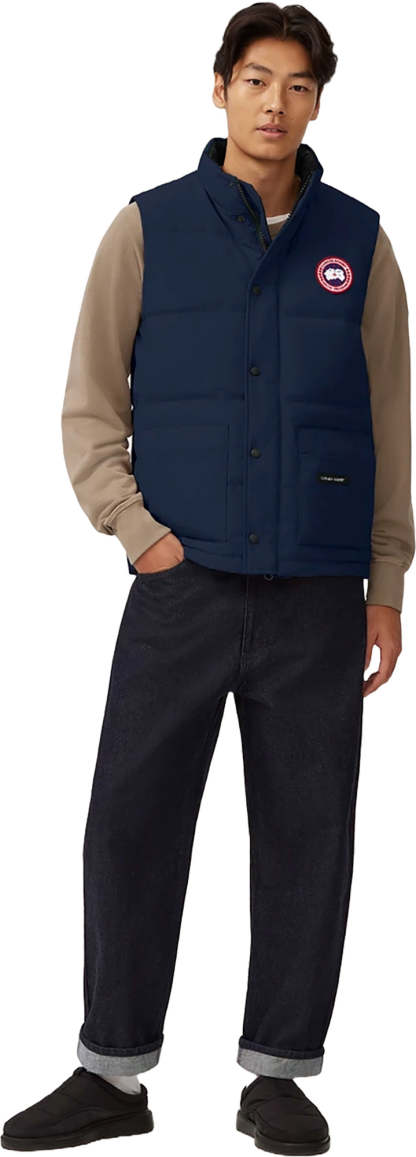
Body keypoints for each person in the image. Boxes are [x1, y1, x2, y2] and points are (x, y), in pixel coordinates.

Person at [2, 3, 414, 1154]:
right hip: (180, 583)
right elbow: (90, 403)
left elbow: (389, 422)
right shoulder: (146, 228)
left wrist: (384, 581)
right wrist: (136, 530)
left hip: (317, 590)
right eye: (255, 79)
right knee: (128, 823)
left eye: (297, 85)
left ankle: (277, 1076)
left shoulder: (359, 243)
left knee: (306, 834)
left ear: (318, 102)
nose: (274, 103)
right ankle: (111, 1073)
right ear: (219, 87)